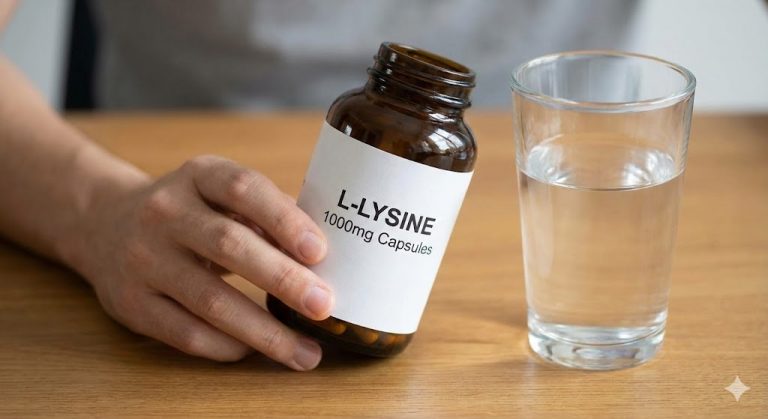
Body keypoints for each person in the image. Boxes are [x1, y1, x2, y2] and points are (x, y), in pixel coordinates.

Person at [0, 1, 636, 370]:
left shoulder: (451, 145)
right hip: (161, 183)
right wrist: (92, 209)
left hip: (554, 202)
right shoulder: (359, 112)